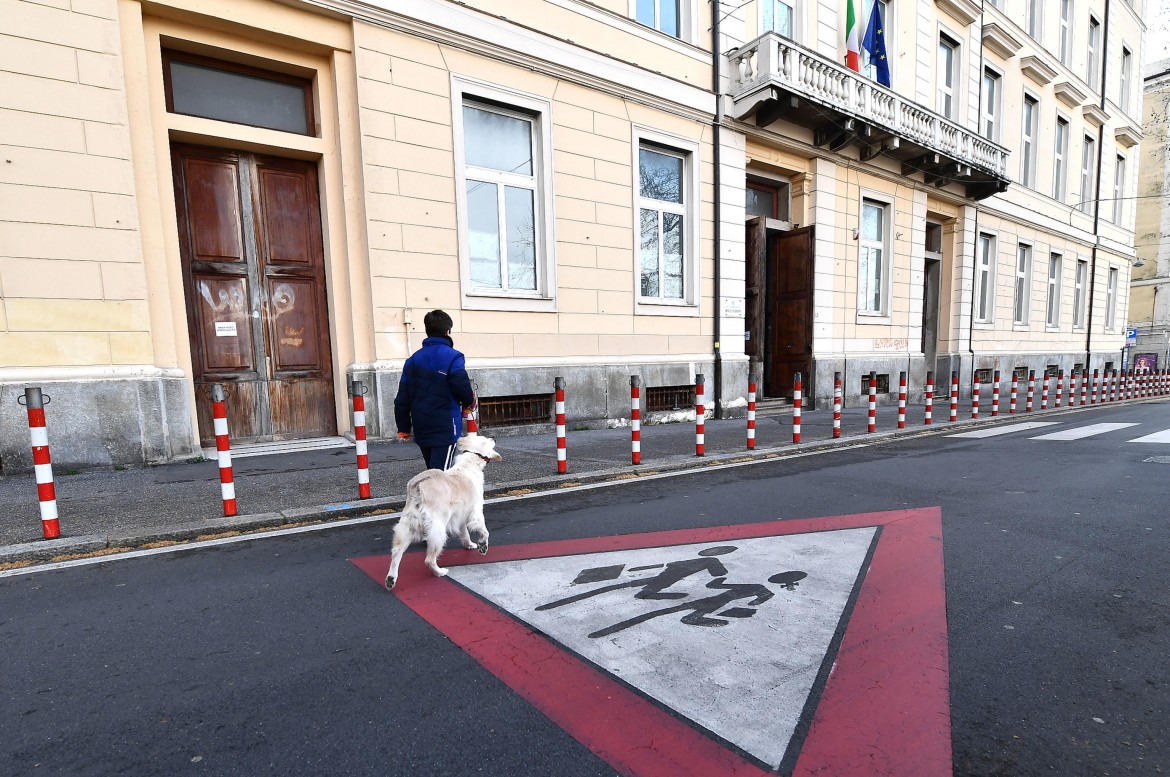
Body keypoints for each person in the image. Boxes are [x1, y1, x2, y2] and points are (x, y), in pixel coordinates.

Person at [394, 310, 476, 470]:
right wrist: (470, 402)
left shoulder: (412, 361)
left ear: (427, 331)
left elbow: (402, 398)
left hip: (421, 426)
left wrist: (403, 427)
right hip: (445, 426)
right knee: (441, 478)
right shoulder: (453, 357)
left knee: (433, 474)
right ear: (447, 332)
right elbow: (461, 385)